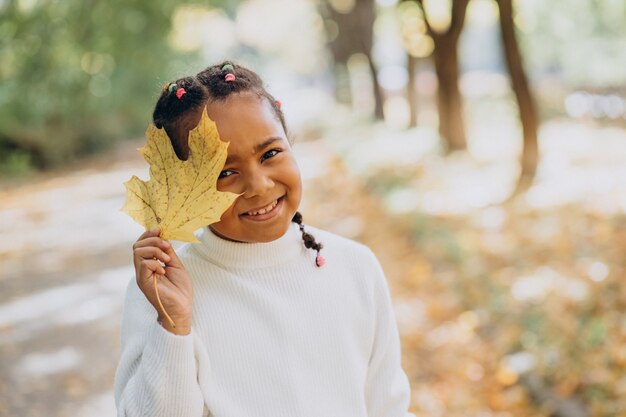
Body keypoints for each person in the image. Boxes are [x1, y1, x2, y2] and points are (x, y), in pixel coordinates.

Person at [114, 61, 415, 417]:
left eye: (270, 153)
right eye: (225, 172)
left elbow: (388, 406)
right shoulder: (162, 290)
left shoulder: (356, 267)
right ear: (184, 189)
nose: (258, 186)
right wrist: (174, 324)